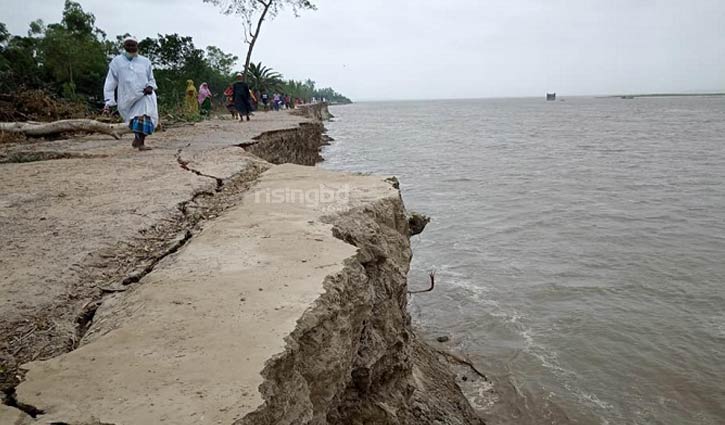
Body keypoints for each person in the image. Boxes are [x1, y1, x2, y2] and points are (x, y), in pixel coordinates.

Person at [103, 36, 158, 151]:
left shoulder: (145, 62)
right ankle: (137, 139)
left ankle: (141, 142)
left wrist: (150, 86)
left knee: (144, 117)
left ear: (137, 46)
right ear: (124, 46)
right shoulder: (117, 62)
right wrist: (109, 100)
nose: (131, 47)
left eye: (133, 45)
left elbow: (151, 79)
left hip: (144, 95)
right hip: (127, 97)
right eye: (128, 45)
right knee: (133, 120)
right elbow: (110, 81)